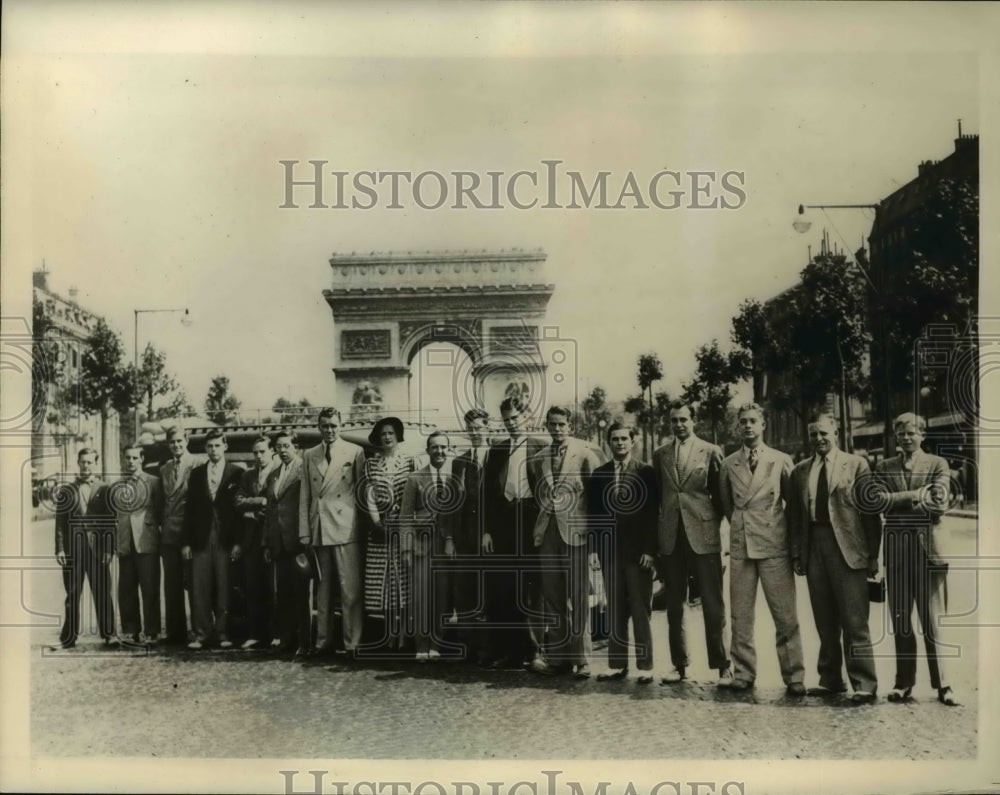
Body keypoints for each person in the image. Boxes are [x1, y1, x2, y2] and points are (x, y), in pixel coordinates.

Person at [788, 414, 881, 704]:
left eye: (824, 434)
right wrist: (797, 553)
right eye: (814, 435)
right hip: (814, 545)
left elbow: (870, 513)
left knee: (854, 618)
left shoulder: (856, 464)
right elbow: (794, 516)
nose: (819, 439)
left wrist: (873, 556)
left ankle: (864, 682)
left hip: (848, 548)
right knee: (824, 618)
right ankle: (830, 679)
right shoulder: (800, 471)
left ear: (836, 434)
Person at [873, 413, 959, 706]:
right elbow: (879, 502)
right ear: (895, 437)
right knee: (901, 620)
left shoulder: (938, 464)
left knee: (932, 620)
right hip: (897, 551)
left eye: (912, 433)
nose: (906, 438)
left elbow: (939, 503)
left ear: (923, 435)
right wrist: (917, 495)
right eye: (901, 434)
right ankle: (903, 682)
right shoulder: (884, 466)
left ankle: (944, 684)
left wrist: (898, 500)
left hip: (928, 551)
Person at [719, 403, 805, 695]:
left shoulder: (780, 460)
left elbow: (793, 505)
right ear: (738, 426)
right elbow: (726, 504)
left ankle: (794, 675)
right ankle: (743, 672)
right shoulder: (729, 463)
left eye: (753, 421)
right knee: (741, 615)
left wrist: (788, 542)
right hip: (742, 545)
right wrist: (741, 526)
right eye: (743, 421)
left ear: (763, 425)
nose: (748, 426)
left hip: (773, 544)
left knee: (785, 615)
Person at [652, 401, 732, 686]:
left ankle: (722, 666)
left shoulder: (710, 451)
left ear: (693, 420)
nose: (679, 425)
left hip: (704, 537)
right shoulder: (660, 454)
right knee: (675, 605)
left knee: (713, 603)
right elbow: (660, 496)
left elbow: (721, 497)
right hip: (672, 539)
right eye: (674, 420)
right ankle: (680, 664)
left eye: (683, 419)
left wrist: (710, 524)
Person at [527, 405, 602, 678]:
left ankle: (582, 660)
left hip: (576, 534)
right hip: (548, 532)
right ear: (546, 426)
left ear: (570, 426)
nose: (557, 429)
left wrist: (593, 538)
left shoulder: (585, 454)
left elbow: (596, 497)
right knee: (553, 597)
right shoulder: (539, 458)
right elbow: (539, 493)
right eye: (552, 424)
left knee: (579, 597)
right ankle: (558, 658)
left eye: (562, 424)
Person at [589, 423, 658, 684]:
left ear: (633, 441)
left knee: (640, 609)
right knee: (615, 608)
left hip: (638, 553)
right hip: (610, 553)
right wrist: (595, 551)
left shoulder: (645, 472)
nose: (619, 443)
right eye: (615, 439)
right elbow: (595, 516)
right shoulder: (599, 474)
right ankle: (617, 665)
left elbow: (652, 514)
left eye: (624, 439)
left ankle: (645, 666)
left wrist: (650, 551)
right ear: (609, 442)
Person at [480, 397, 546, 668]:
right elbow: (487, 494)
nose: (511, 424)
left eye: (515, 418)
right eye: (506, 420)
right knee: (506, 587)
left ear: (527, 417)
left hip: (532, 519)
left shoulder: (542, 448)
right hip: (504, 522)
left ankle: (536, 652)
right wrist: (486, 531)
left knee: (532, 587)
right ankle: (512, 651)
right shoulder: (497, 450)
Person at [299, 407, 366, 658]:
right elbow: (305, 494)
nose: (329, 430)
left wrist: (360, 526)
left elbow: (361, 493)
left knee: (350, 590)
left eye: (334, 425)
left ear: (341, 425)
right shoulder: (309, 454)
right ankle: (323, 642)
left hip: (345, 527)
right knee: (323, 590)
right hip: (319, 527)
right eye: (325, 425)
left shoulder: (355, 452)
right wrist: (304, 531)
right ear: (319, 427)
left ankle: (352, 643)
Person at [399, 431, 469, 660]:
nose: (439, 451)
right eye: (435, 447)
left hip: (446, 546)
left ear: (448, 450)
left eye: (443, 447)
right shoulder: (415, 478)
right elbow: (405, 516)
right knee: (421, 597)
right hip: (421, 545)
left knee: (441, 596)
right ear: (428, 450)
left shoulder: (454, 478)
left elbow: (457, 513)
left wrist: (451, 540)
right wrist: (406, 548)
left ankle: (436, 645)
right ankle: (421, 645)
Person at [181, 429, 243, 649]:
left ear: (225, 446)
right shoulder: (197, 474)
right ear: (205, 448)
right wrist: (186, 542)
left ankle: (224, 633)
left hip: (226, 537)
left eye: (217, 445)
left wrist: (238, 542)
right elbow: (189, 510)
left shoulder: (237, 472)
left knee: (225, 585)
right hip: (201, 536)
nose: (213, 450)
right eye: (210, 446)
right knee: (200, 586)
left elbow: (239, 512)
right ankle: (201, 633)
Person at [362, 416, 415, 652]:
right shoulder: (371, 464)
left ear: (397, 435)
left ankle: (403, 634)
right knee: (385, 584)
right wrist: (376, 522)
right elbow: (369, 495)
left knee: (403, 582)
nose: (387, 437)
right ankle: (390, 633)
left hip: (403, 527)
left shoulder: (409, 462)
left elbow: (413, 495)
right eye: (383, 434)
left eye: (391, 433)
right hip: (380, 530)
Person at [53, 448, 115, 648]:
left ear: (95, 464)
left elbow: (110, 522)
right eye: (83, 462)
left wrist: (109, 549)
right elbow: (60, 523)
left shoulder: (104, 489)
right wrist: (60, 549)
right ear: (78, 463)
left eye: (89, 462)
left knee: (102, 591)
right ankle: (69, 637)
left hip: (98, 551)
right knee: (72, 594)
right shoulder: (66, 490)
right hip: (73, 550)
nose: (86, 466)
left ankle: (109, 634)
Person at [112, 444, 164, 646]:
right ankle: (130, 630)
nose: (131, 462)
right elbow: (115, 515)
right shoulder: (117, 485)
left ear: (142, 459)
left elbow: (160, 512)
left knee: (150, 588)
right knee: (126, 590)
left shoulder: (154, 482)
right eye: (128, 458)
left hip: (146, 541)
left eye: (135, 458)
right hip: (126, 542)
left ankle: (152, 631)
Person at [262, 431, 309, 654]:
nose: (282, 450)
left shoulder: (304, 470)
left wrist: (306, 537)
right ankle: (286, 639)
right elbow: (270, 511)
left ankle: (305, 642)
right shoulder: (274, 474)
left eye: (287, 446)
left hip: (298, 541)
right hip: (278, 543)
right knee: (283, 593)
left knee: (302, 594)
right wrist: (266, 543)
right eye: (279, 447)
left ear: (296, 447)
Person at [159, 426, 201, 645]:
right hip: (169, 534)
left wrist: (192, 537)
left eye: (179, 441)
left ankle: (199, 631)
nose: (176, 445)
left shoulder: (197, 464)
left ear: (187, 441)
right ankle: (175, 633)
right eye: (172, 442)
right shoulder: (164, 468)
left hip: (189, 533)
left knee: (194, 584)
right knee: (171, 585)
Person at [233, 435, 276, 648]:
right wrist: (261, 501)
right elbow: (238, 501)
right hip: (251, 539)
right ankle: (255, 633)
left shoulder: (278, 473)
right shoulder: (248, 475)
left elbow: (276, 505)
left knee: (273, 587)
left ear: (272, 451)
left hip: (272, 538)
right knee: (252, 587)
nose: (259, 456)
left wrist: (258, 509)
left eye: (263, 451)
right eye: (256, 452)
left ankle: (276, 634)